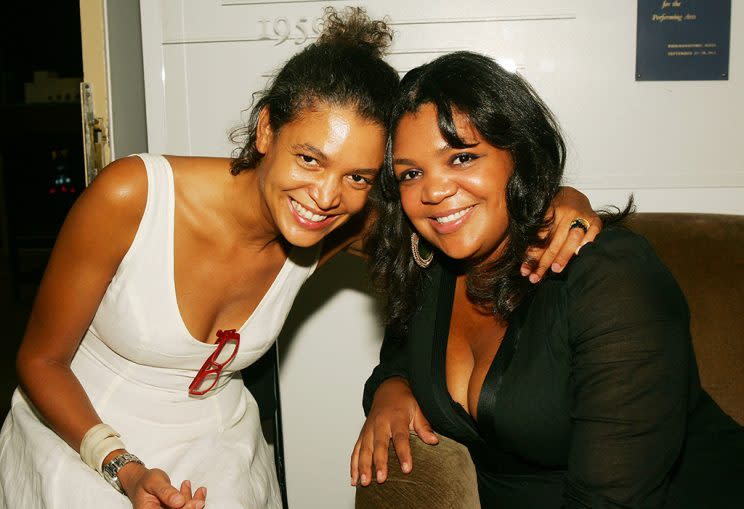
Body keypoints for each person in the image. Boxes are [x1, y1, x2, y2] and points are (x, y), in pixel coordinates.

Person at [0, 8, 599, 509]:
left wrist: (559, 203)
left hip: (214, 448)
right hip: (85, 439)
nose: (325, 196)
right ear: (265, 130)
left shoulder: (336, 222)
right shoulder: (132, 196)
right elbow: (41, 359)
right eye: (310, 159)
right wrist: (123, 468)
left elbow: (462, 232)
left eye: (359, 176)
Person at [352, 51, 744, 508]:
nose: (433, 191)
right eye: (411, 173)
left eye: (461, 157)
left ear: (518, 154)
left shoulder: (610, 277)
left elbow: (613, 499)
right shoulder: (430, 267)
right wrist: (389, 389)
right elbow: (402, 354)